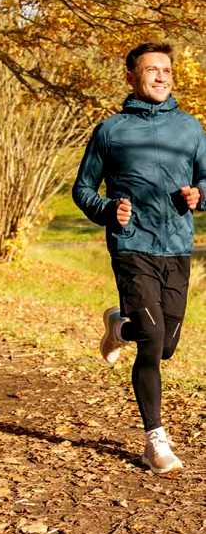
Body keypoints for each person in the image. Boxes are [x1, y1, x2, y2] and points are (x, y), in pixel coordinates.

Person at [72, 42, 206, 475]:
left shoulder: (191, 129)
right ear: (131, 76)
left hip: (176, 246)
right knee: (151, 338)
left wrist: (199, 195)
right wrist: (109, 210)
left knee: (165, 345)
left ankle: (119, 324)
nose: (161, 76)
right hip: (131, 245)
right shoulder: (111, 130)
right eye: (152, 70)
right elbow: (84, 189)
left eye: (166, 69)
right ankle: (155, 441)